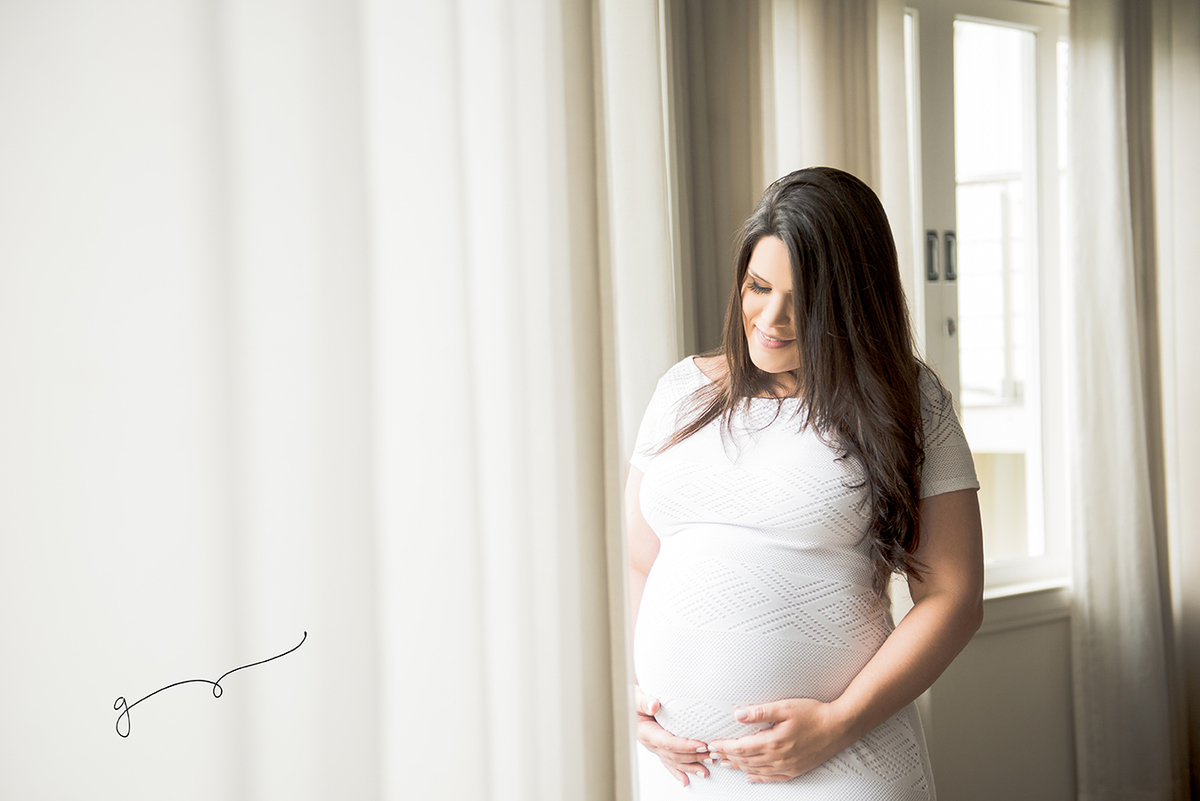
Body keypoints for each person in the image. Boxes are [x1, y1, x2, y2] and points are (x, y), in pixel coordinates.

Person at [626, 166, 984, 799]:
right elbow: (637, 561)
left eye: (806, 300)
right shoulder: (682, 390)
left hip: (840, 764)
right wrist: (634, 696)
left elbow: (952, 596)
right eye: (758, 287)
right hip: (684, 772)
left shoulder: (909, 401)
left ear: (852, 303)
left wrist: (839, 724)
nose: (772, 317)